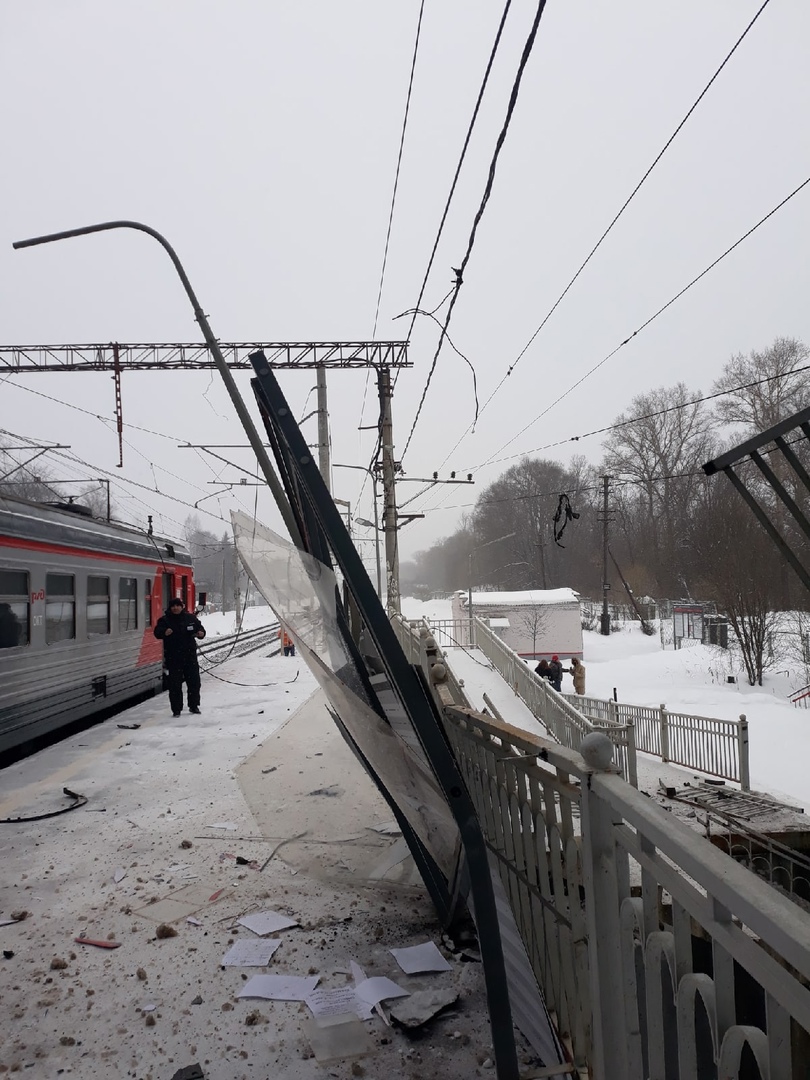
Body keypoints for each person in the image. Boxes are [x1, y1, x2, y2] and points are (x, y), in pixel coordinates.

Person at [154, 597, 206, 717]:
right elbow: (157, 632)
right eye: (173, 606)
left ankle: (194, 706)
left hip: (190, 657)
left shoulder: (191, 618)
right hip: (173, 658)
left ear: (182, 606)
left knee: (194, 683)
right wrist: (164, 632)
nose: (175, 608)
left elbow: (200, 629)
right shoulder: (165, 620)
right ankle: (176, 710)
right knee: (175, 685)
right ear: (170, 608)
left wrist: (201, 634)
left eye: (178, 605)